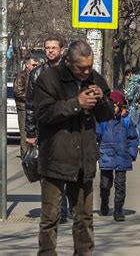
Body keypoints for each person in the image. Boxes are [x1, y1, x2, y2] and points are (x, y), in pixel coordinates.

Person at [34, 40, 114, 255]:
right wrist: (77, 103)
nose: (87, 71)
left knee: (84, 218)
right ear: (68, 62)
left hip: (83, 161)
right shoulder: (49, 79)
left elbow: (107, 114)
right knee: (50, 218)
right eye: (82, 68)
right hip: (55, 159)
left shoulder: (94, 78)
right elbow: (43, 114)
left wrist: (102, 100)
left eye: (90, 66)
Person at [24, 34, 71, 224]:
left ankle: (64, 209)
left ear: (61, 50)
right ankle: (52, 210)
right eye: (47, 48)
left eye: (54, 47)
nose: (50, 50)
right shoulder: (37, 74)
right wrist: (30, 132)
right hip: (44, 129)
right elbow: (30, 104)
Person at [96, 91, 138, 222]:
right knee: (105, 184)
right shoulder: (102, 120)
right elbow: (95, 136)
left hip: (122, 156)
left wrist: (131, 153)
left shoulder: (126, 121)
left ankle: (118, 210)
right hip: (106, 155)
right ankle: (104, 202)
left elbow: (132, 138)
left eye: (114, 106)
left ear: (120, 106)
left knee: (120, 185)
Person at [13, 57, 38, 157]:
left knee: (32, 131)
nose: (35, 67)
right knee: (24, 132)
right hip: (23, 107)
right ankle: (25, 154)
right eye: (33, 65)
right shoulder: (22, 76)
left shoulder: (35, 75)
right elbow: (18, 92)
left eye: (36, 65)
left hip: (33, 107)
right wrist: (30, 98)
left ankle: (32, 153)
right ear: (27, 65)